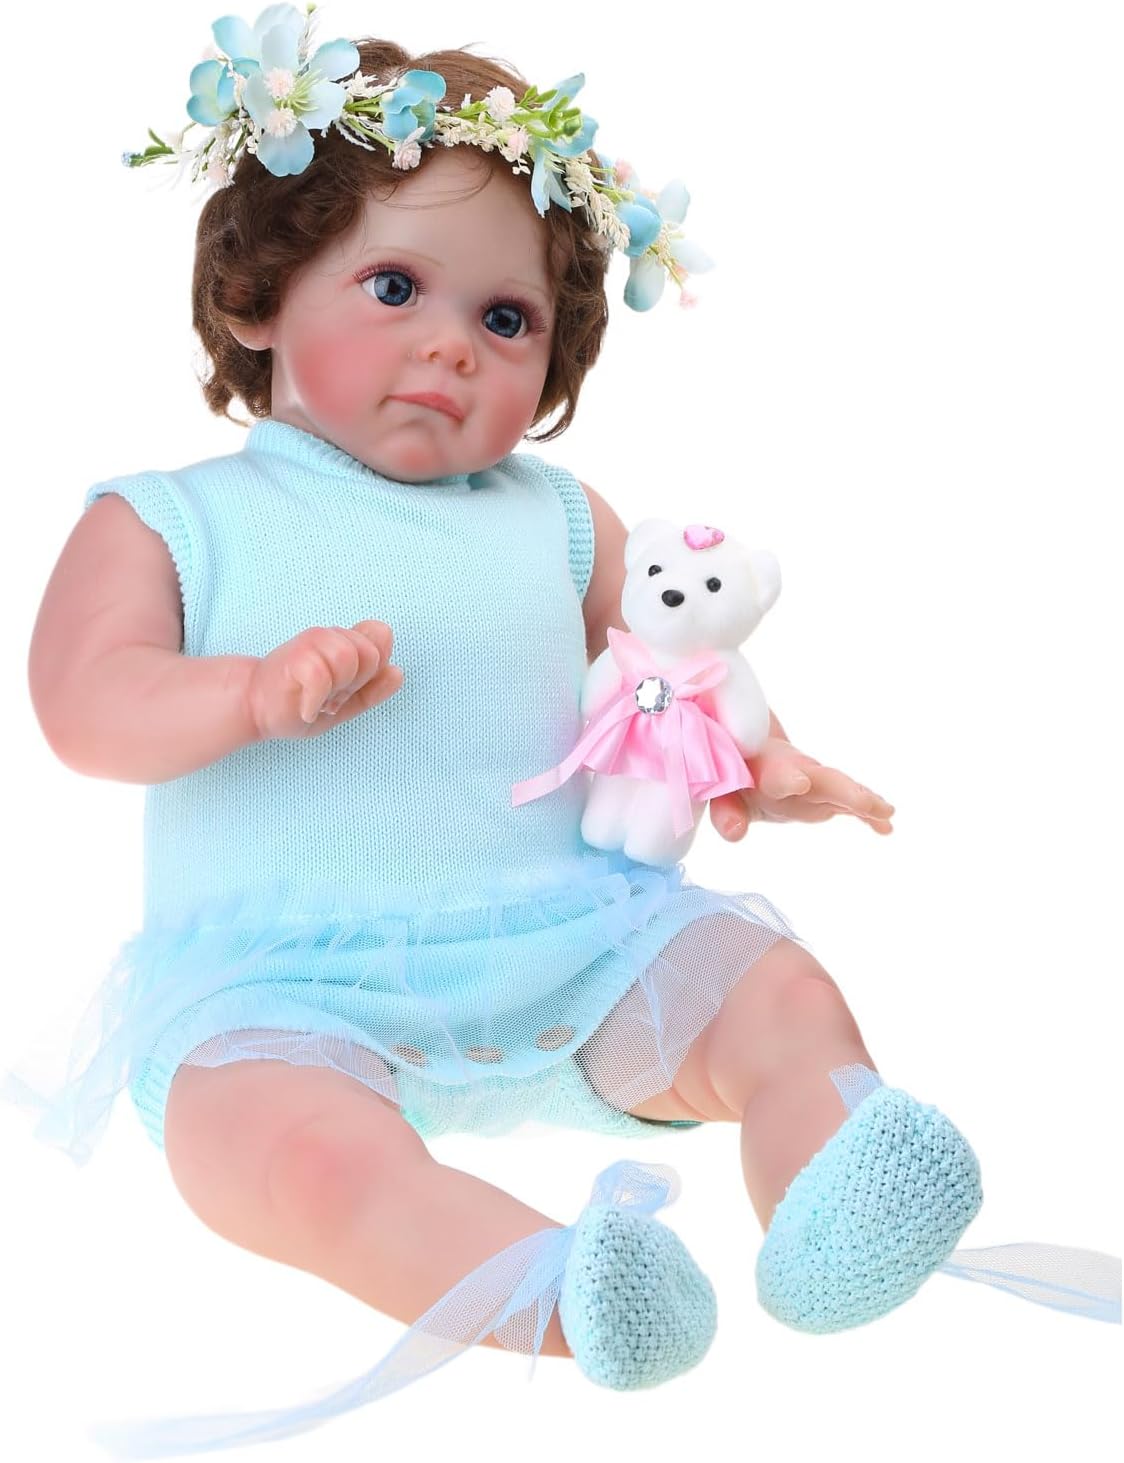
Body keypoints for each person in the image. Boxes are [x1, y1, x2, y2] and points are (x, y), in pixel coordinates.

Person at [16, 8, 1106, 1455]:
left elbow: (664, 674)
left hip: (579, 943)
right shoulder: (175, 521)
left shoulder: (561, 519)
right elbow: (84, 707)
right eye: (395, 286)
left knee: (776, 994)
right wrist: (247, 694)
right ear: (258, 295)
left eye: (505, 320)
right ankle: (570, 1288)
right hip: (282, 984)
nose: (450, 347)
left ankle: (837, 1186)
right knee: (279, 1157)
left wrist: (759, 760)